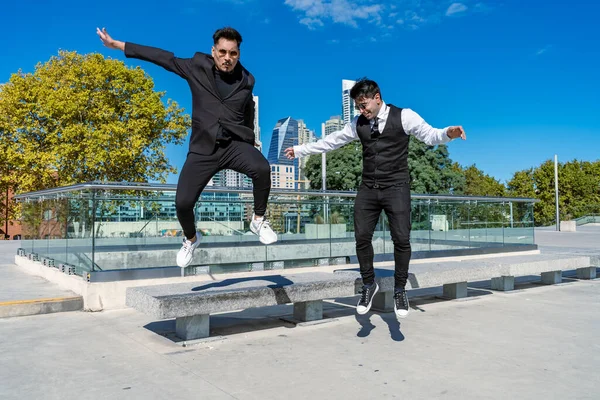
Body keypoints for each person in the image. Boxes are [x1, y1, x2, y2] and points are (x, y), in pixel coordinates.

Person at [285, 78, 466, 320]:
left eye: (364, 105)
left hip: (397, 187)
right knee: (361, 237)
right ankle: (369, 285)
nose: (362, 110)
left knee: (401, 239)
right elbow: (332, 141)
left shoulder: (405, 116)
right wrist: (299, 150)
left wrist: (449, 133)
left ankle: (400, 290)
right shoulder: (357, 123)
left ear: (377, 97)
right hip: (368, 188)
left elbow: (430, 135)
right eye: (358, 106)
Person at [96, 27, 278, 268]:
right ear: (214, 51)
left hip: (233, 144)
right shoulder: (196, 66)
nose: (227, 58)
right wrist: (119, 45)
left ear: (238, 54)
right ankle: (191, 239)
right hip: (203, 148)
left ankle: (258, 220)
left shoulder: (247, 80)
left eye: (232, 53)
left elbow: (248, 109)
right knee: (182, 204)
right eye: (222, 52)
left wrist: (249, 135)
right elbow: (163, 58)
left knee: (262, 167)